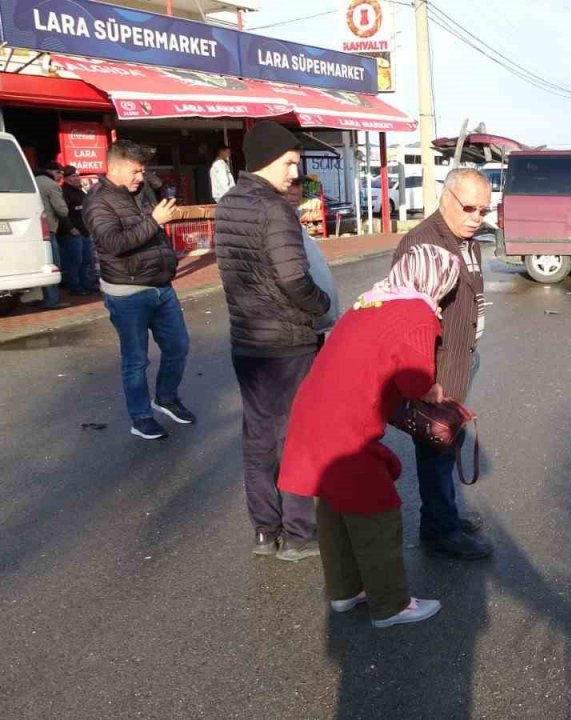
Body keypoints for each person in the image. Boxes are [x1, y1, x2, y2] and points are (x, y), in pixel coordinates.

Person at [279, 244, 461, 628]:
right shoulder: (416, 312)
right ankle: (392, 605)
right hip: (346, 428)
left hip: (313, 415)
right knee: (377, 511)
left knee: (335, 506)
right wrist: (433, 388)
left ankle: (345, 591)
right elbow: (414, 382)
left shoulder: (372, 301)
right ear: (438, 281)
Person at [215, 121, 332, 562]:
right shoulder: (275, 209)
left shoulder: (228, 204)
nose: (294, 173)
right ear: (267, 160)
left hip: (247, 341)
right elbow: (294, 279)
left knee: (259, 436)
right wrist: (321, 305)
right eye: (289, 163)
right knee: (296, 437)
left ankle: (265, 531)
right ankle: (300, 534)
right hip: (287, 342)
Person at [393, 167, 491, 560]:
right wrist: (424, 379)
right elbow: (404, 321)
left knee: (450, 442)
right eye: (469, 208)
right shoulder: (422, 244)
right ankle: (440, 532)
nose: (477, 217)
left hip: (461, 358)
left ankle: (443, 514)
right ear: (446, 198)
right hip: (435, 368)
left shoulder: (467, 240)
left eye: (483, 210)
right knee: (435, 447)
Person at [83, 140, 192, 440]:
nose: (140, 177)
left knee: (178, 346)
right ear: (114, 168)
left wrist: (146, 174)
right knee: (136, 360)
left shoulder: (141, 189)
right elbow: (114, 245)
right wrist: (154, 221)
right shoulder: (97, 202)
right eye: (135, 171)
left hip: (161, 286)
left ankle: (166, 398)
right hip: (127, 292)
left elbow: (151, 185)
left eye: (142, 170)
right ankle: (141, 417)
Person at [34, 161, 70, 310]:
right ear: (50, 171)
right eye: (59, 172)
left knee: (38, 265)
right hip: (48, 230)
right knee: (52, 264)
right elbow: (62, 210)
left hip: (32, 231)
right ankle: (51, 300)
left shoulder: (32, 181)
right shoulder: (51, 185)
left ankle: (38, 297)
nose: (61, 176)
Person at [58, 166, 95, 296]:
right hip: (72, 233)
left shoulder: (81, 191)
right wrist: (71, 228)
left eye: (78, 175)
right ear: (66, 178)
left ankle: (85, 284)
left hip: (84, 231)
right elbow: (62, 214)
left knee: (86, 260)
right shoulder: (64, 192)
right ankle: (75, 286)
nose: (77, 178)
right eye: (73, 176)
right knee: (74, 261)